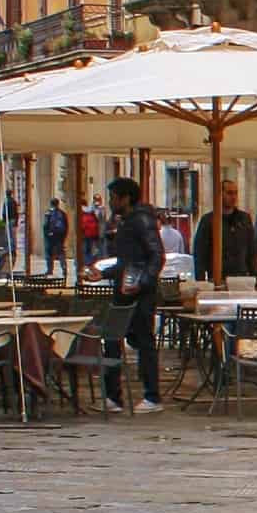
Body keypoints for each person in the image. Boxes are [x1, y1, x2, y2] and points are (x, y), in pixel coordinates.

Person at [104, 176, 165, 413]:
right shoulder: (127, 221)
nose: (111, 202)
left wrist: (141, 283)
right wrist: (104, 273)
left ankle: (152, 396)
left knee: (143, 341)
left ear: (125, 198)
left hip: (139, 293)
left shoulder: (140, 220)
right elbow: (125, 261)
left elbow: (156, 255)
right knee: (113, 339)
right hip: (125, 289)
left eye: (113, 198)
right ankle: (114, 396)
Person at [193, 180, 256, 282]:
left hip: (241, 277)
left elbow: (251, 250)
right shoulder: (209, 220)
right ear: (220, 194)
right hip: (218, 277)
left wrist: (255, 276)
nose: (233, 197)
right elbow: (200, 253)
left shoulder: (244, 219)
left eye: (235, 193)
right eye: (229, 193)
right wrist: (201, 280)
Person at [43, 199, 70, 277]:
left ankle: (49, 270)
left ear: (51, 204)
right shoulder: (62, 213)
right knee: (61, 253)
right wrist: (64, 237)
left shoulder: (48, 213)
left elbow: (45, 225)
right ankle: (64, 268)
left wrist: (47, 235)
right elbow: (66, 226)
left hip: (50, 237)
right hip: (60, 237)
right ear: (58, 204)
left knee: (49, 254)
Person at [78, 201, 102, 268]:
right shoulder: (92, 213)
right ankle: (90, 262)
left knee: (85, 249)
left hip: (85, 234)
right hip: (93, 234)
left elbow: (83, 225)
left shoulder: (83, 213)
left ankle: (87, 263)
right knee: (90, 249)